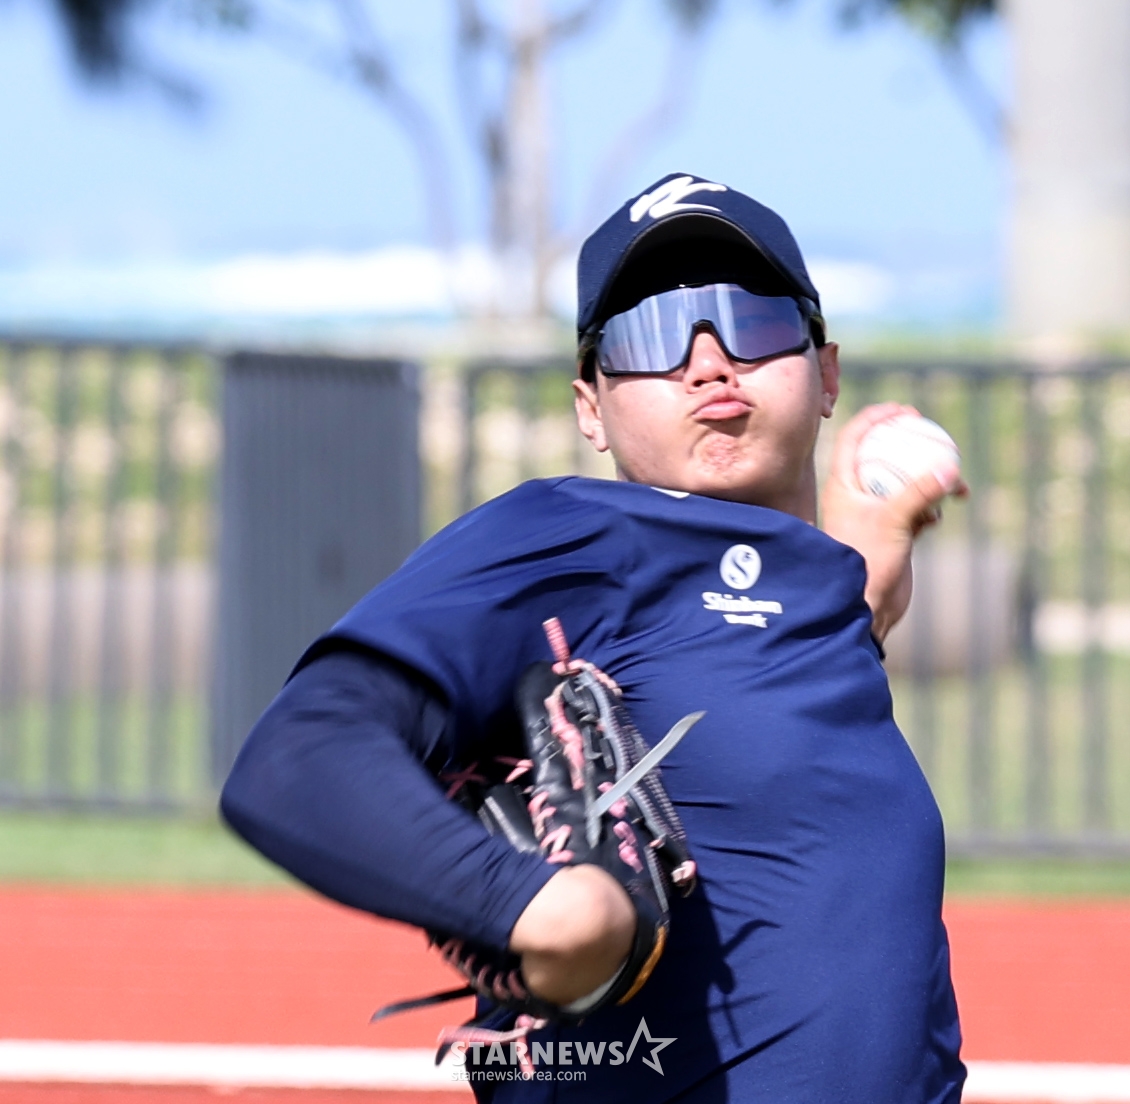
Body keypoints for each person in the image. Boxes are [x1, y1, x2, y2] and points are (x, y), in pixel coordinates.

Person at [221, 172, 968, 1103]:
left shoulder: (818, 590)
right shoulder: (574, 532)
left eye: (753, 321)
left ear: (826, 374)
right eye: (651, 335)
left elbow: (766, 734)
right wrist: (529, 904)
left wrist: (856, 584)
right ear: (589, 405)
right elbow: (298, 756)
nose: (709, 363)